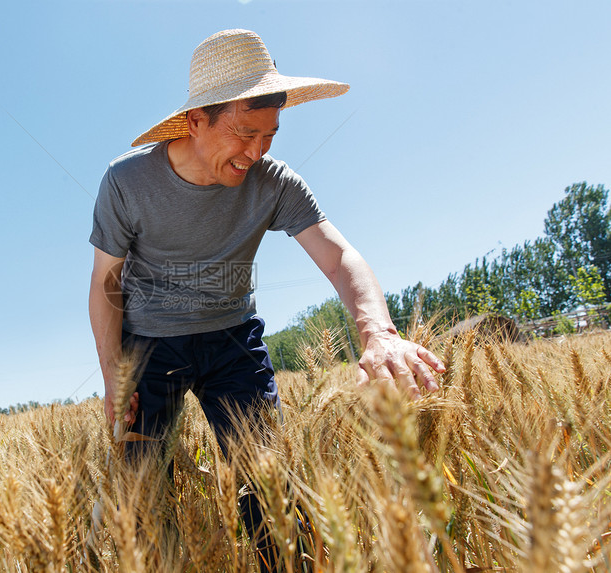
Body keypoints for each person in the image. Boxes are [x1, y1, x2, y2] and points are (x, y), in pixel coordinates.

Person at [88, 29, 445, 569]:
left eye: (270, 134)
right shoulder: (126, 182)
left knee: (272, 497)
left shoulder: (275, 183)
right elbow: (105, 283)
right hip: (149, 348)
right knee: (135, 501)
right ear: (196, 121)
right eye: (244, 132)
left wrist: (378, 332)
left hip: (233, 342)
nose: (256, 151)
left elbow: (339, 257)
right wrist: (115, 373)